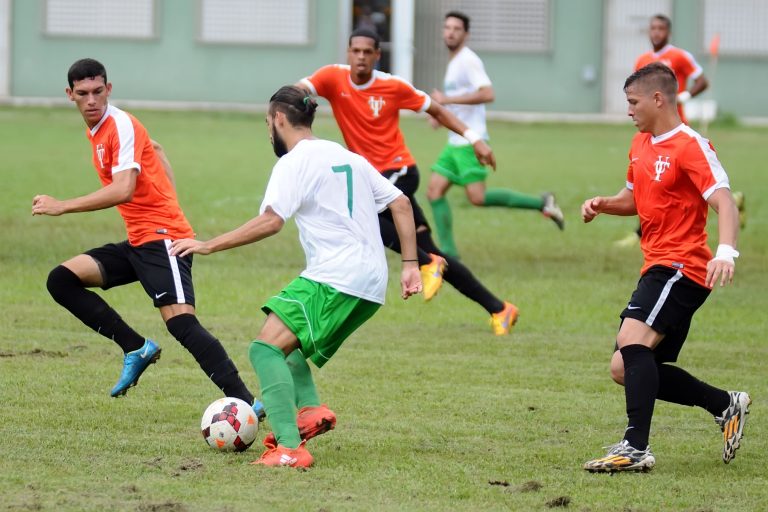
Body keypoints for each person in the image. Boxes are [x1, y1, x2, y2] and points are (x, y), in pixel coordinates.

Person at [170, 85, 422, 467]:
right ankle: (309, 411)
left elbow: (271, 221)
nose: (268, 131)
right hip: (370, 282)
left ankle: (289, 448)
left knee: (264, 348)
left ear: (279, 120)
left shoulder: (293, 163)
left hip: (337, 275)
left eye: (267, 123)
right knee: (287, 349)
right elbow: (401, 203)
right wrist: (409, 265)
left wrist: (208, 244)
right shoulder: (346, 155)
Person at [32, 58, 263, 417]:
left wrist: (62, 206)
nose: (91, 100)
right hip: (138, 240)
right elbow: (154, 148)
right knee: (61, 280)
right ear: (70, 95)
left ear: (108, 89)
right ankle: (134, 346)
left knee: (182, 323)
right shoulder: (98, 132)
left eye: (98, 91)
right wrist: (159, 168)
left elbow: (123, 189)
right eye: (83, 94)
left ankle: (247, 402)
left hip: (163, 239)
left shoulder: (119, 124)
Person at [581, 63, 750, 472]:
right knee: (626, 367)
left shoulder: (691, 145)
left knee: (631, 340)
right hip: (658, 266)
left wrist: (726, 252)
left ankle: (635, 447)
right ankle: (724, 403)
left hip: (682, 265)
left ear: (659, 99)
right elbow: (634, 196)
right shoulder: (640, 144)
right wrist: (605, 204)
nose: (628, 111)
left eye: (632, 102)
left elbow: (724, 200)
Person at [297, 28, 519, 335]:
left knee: (364, 218)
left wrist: (474, 139)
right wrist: (285, 105)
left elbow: (437, 110)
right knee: (430, 249)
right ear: (348, 54)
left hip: (399, 172)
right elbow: (299, 89)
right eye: (355, 51)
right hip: (374, 177)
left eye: (367, 52)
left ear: (377, 55)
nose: (361, 57)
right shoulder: (332, 77)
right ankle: (500, 308)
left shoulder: (392, 85)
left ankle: (426, 262)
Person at [426, 11, 564, 259]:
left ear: (466, 34)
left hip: (471, 141)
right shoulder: (454, 62)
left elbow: (488, 93)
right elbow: (459, 101)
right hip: (455, 142)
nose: (450, 32)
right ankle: (449, 253)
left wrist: (446, 99)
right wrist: (440, 115)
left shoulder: (468, 60)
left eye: (456, 28)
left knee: (477, 198)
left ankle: (542, 203)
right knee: (434, 191)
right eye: (447, 27)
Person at [615, 14, 744, 246]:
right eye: (652, 28)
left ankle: (729, 204)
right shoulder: (642, 59)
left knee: (679, 181)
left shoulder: (679, 56)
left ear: (668, 32)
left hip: (674, 128)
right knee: (655, 181)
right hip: (650, 131)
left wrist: (686, 95)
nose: (656, 32)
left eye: (661, 28)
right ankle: (645, 233)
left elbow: (702, 80)